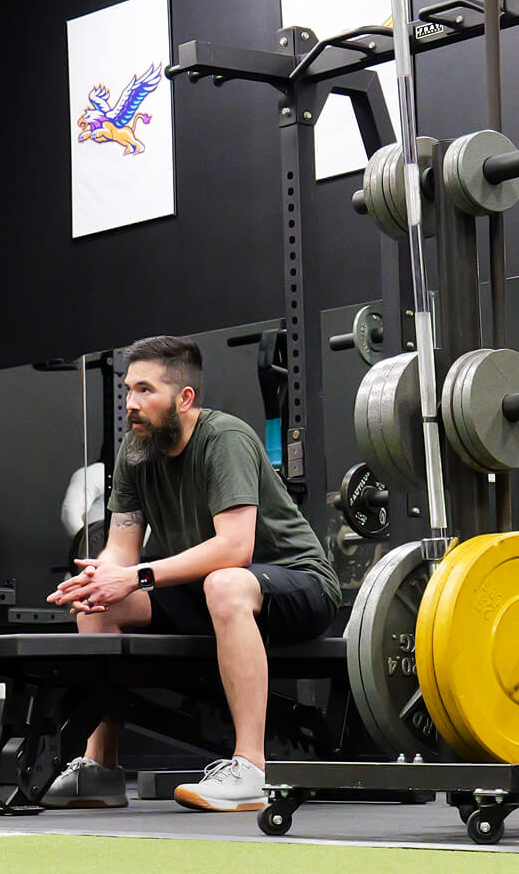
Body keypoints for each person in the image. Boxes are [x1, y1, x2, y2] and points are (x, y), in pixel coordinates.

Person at [45, 335, 339, 812]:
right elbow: (121, 548)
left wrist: (136, 576)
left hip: (294, 582)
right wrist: (99, 578)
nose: (131, 404)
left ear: (184, 399)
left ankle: (250, 769)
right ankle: (100, 766)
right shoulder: (135, 450)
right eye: (128, 390)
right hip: (206, 592)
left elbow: (235, 548)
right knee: (100, 604)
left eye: (145, 390)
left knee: (224, 582)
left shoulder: (224, 439)